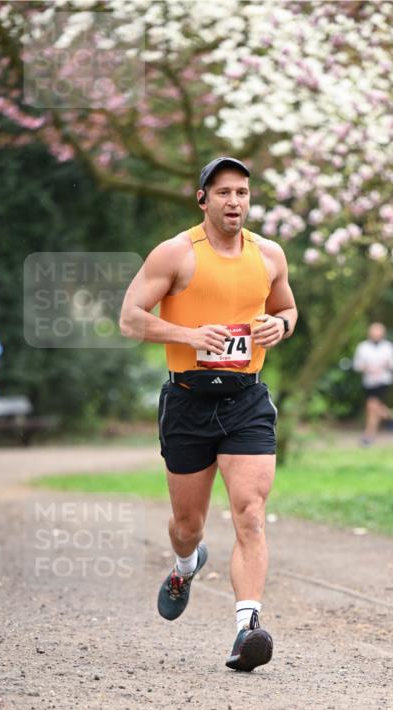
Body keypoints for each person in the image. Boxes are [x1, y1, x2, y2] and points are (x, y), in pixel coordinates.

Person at [120, 156, 298, 671]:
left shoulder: (268, 255)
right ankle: (185, 564)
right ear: (203, 199)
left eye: (242, 193)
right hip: (188, 401)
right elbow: (130, 318)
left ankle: (248, 631)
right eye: (223, 192)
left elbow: (287, 309)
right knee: (187, 524)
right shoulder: (176, 254)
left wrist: (279, 328)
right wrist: (187, 335)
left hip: (246, 400)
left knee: (250, 513)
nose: (234, 202)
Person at [352, 322, 393, 445]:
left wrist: (385, 365)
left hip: (383, 381)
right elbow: (357, 365)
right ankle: (389, 415)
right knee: (373, 409)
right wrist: (367, 367)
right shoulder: (362, 347)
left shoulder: (389, 347)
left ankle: (368, 436)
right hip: (369, 382)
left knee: (372, 406)